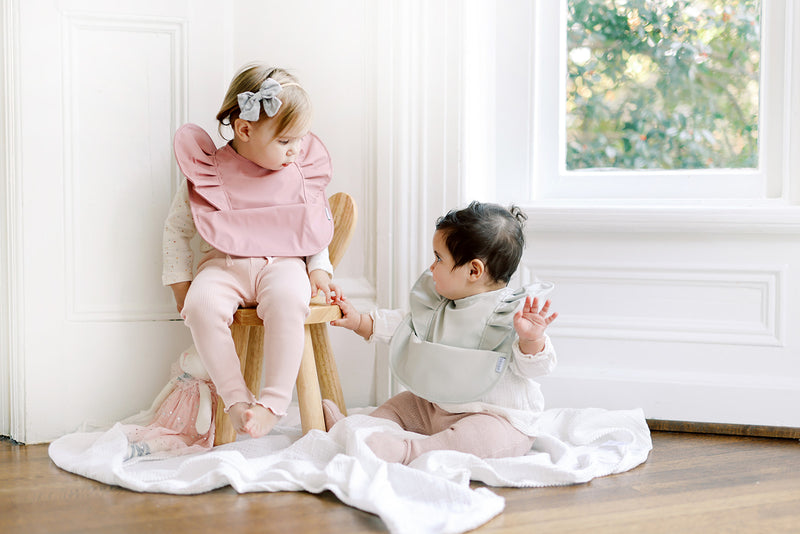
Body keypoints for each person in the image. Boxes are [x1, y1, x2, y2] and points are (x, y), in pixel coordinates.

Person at [162, 63, 339, 439]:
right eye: (286, 141)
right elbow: (177, 229)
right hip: (224, 266)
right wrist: (182, 285)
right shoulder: (209, 170)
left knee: (291, 299)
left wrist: (319, 268)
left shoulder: (299, 171)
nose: (295, 151)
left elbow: (313, 226)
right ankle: (236, 398)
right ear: (245, 129)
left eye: (300, 140)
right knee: (201, 305)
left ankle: (273, 403)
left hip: (283, 264)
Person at [325, 201, 558, 464]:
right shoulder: (440, 305)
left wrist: (532, 339)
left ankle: (407, 452)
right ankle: (354, 429)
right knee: (403, 405)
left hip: (496, 418)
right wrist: (359, 321)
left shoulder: (510, 316)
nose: (432, 267)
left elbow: (537, 368)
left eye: (438, 258)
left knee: (477, 438)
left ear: (473, 270)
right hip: (437, 407)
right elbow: (404, 324)